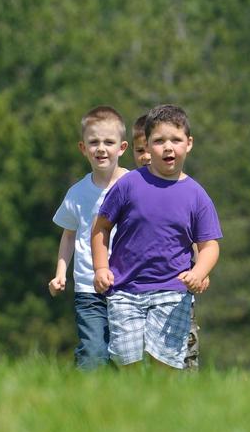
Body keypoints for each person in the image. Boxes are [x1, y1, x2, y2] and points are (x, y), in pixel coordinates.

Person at [90, 105, 221, 369]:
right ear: (147, 146)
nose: (168, 147)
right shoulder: (128, 185)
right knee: (128, 361)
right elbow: (100, 227)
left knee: (166, 364)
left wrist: (199, 273)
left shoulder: (196, 195)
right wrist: (101, 267)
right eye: (159, 141)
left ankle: (164, 407)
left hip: (172, 293)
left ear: (189, 143)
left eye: (175, 140)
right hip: (126, 290)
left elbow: (209, 245)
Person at [49, 106, 128, 370]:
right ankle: (86, 392)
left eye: (109, 142)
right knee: (94, 352)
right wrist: (61, 273)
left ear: (122, 147)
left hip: (130, 286)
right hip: (88, 288)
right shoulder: (78, 192)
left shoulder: (135, 185)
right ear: (83, 148)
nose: (101, 149)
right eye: (94, 142)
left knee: (126, 355)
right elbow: (69, 236)